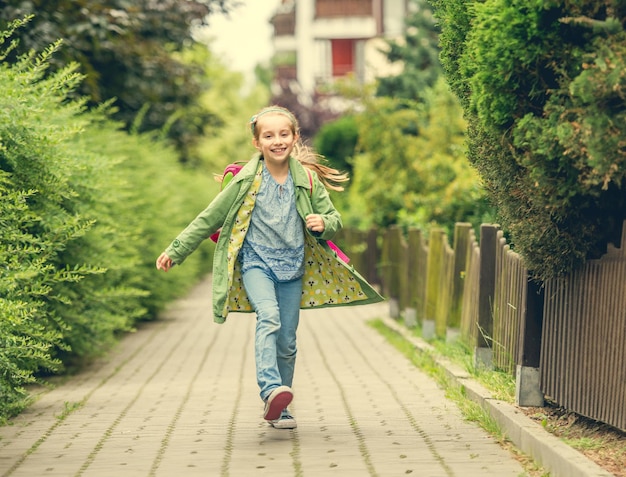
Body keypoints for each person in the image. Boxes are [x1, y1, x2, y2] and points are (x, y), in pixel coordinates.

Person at [156, 105, 383, 430]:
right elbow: (209, 217)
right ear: (257, 142)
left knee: (288, 341)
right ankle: (270, 389)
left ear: (294, 137)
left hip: (292, 268)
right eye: (268, 135)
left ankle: (281, 407)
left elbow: (334, 218)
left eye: (283, 134)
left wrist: (324, 223)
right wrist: (175, 251)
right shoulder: (246, 180)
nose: (277, 141)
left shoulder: (305, 179)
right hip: (256, 265)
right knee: (269, 318)